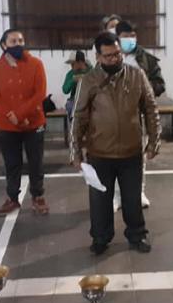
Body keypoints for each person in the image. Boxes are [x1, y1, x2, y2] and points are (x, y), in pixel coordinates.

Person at [70, 31, 161, 255]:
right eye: (109, 56)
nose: (115, 59)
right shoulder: (89, 80)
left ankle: (137, 235)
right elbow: (79, 117)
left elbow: (151, 109)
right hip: (99, 154)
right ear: (98, 56)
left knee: (132, 200)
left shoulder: (137, 75)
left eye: (118, 54)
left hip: (131, 152)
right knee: (100, 201)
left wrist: (153, 141)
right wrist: (75, 151)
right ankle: (100, 238)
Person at [0, 29, 49, 216]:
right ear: (4, 45)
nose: (18, 44)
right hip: (7, 125)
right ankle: (12, 198)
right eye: (13, 41)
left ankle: (38, 196)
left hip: (34, 122)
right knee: (12, 164)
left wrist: (20, 114)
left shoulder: (36, 64)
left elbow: (40, 93)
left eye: (21, 40)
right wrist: (10, 115)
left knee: (36, 163)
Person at [112, 20, 166, 210]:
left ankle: (139, 192)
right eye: (125, 36)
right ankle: (116, 196)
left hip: (138, 116)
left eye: (133, 35)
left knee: (138, 158)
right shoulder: (110, 58)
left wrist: (145, 89)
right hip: (113, 117)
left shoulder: (146, 59)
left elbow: (160, 85)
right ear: (117, 37)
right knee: (115, 158)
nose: (130, 39)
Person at [63, 50, 91, 126]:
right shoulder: (71, 74)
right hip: (74, 101)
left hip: (90, 100)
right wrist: (73, 80)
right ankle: (74, 130)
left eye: (73, 64)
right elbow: (65, 90)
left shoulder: (92, 71)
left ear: (80, 62)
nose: (71, 66)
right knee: (70, 107)